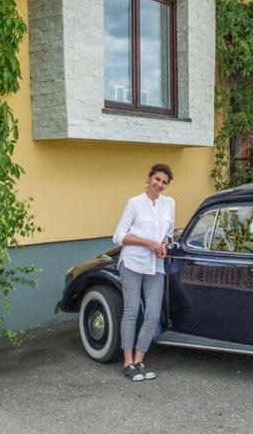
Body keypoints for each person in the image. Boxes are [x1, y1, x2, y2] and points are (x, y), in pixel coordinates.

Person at [112, 163, 174, 381]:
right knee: (131, 312)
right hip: (132, 262)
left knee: (153, 314)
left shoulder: (169, 204)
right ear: (149, 178)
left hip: (155, 265)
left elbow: (168, 233)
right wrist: (147, 242)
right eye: (157, 179)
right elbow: (118, 236)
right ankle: (127, 362)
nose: (159, 184)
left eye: (164, 182)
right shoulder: (134, 203)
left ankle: (140, 359)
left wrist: (164, 244)